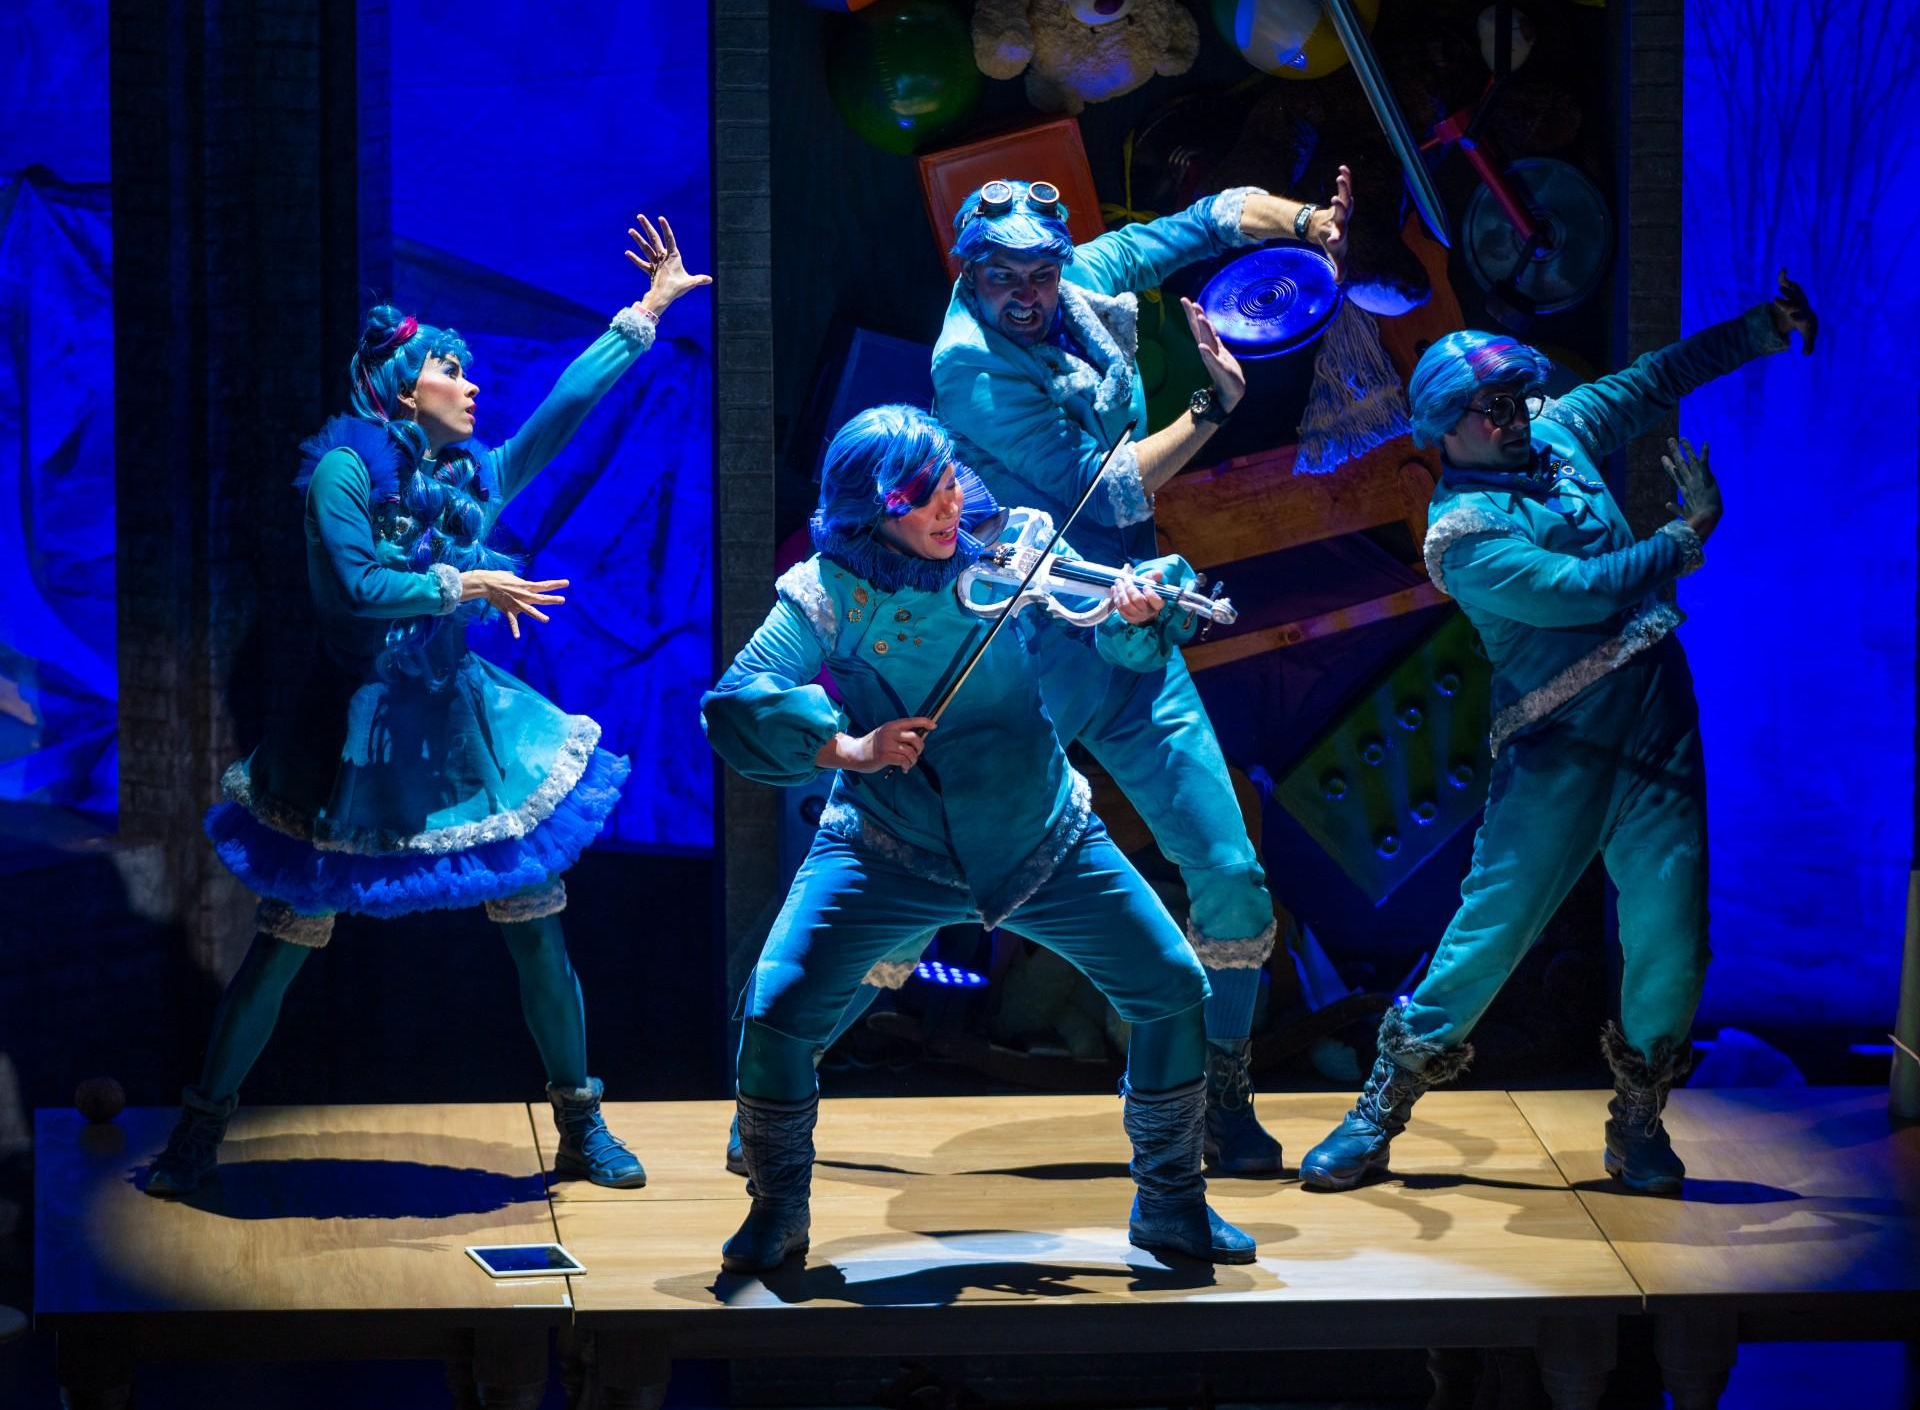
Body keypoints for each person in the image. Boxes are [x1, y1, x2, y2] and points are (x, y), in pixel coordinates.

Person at [143, 214, 711, 1198]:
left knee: (535, 917)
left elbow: (559, 414)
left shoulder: (468, 478)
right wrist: (465, 584)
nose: (473, 382)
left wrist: (645, 314)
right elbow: (353, 591)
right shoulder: (344, 469)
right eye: (454, 367)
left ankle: (580, 1121)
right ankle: (200, 1131)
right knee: (288, 933)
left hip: (460, 730)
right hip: (358, 738)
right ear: (405, 384)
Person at [701, 403, 1256, 1272]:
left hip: (1042, 836)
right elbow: (740, 700)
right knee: (776, 1011)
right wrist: (851, 747)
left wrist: (1137, 610)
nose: (948, 511)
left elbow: (1111, 628)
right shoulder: (830, 588)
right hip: (885, 845)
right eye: (920, 501)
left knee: (1172, 987)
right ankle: (778, 1212)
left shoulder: (1018, 541)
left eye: (950, 482)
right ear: (869, 515)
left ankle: (1172, 1203)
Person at [1299, 272, 1819, 1197]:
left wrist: (1761, 330)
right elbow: (1581, 593)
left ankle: (1639, 1120)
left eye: (1512, 397)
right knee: (1490, 933)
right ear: (1447, 428)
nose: (1511, 416)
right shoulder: (1462, 536)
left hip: (1657, 718)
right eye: (1489, 407)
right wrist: (1685, 536)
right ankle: (1381, 1107)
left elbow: (1649, 380)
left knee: (1673, 932)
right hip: (1561, 749)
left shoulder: (1558, 438)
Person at [917, 172, 1355, 1172]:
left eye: (1043, 268)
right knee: (925, 871)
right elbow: (1101, 484)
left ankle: (1220, 1096)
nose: (1030, 293)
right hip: (1031, 650)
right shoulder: (967, 367)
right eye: (1005, 276)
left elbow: (1201, 220)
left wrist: (1307, 224)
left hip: (1135, 626)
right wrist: (1212, 407)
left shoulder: (1081, 283)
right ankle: (783, 1054)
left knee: (1234, 876)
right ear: (969, 271)